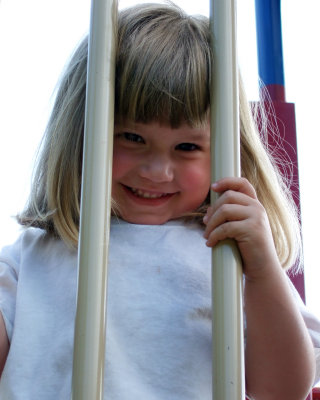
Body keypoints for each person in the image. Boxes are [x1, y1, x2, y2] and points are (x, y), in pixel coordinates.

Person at [0, 2, 319, 399]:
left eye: (186, 146)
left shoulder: (229, 258)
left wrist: (263, 270)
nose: (157, 171)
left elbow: (284, 388)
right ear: (81, 134)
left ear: (225, 151)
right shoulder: (32, 259)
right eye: (132, 137)